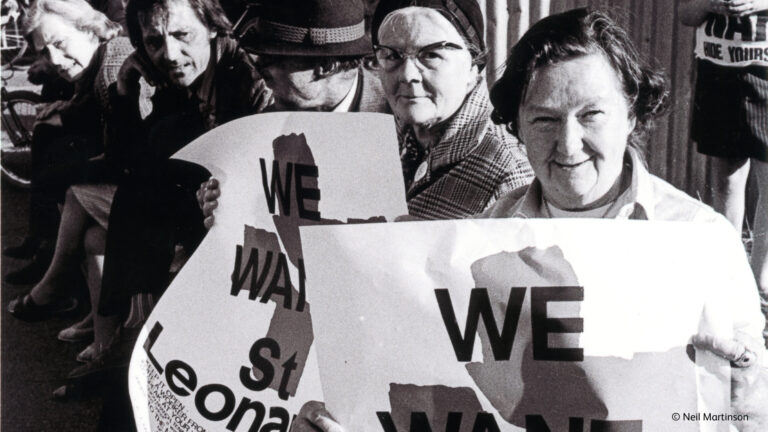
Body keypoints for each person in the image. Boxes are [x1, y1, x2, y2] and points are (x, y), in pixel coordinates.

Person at [291, 8, 768, 432]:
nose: (569, 144)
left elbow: (749, 413)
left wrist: (744, 392)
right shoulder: (483, 237)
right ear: (516, 125)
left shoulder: (699, 242)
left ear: (633, 113)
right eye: (543, 120)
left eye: (592, 115)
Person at [64, 0, 271, 382]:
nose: (170, 55)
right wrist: (126, 90)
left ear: (212, 26)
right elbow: (133, 161)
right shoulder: (180, 82)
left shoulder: (246, 79)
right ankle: (120, 346)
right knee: (100, 230)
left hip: (237, 229)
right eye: (154, 42)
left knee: (121, 212)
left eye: (181, 35)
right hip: (190, 214)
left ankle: (123, 348)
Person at [2, 0, 128, 285]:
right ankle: (46, 249)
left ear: (90, 30)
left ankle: (54, 273)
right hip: (133, 181)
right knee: (49, 139)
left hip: (147, 196)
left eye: (59, 44)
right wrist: (66, 108)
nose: (55, 60)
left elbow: (127, 154)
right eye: (46, 52)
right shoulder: (100, 64)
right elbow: (85, 97)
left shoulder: (112, 66)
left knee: (61, 177)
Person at [370, 0, 533, 218]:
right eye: (392, 56)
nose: (408, 75)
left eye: (431, 55)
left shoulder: (508, 172)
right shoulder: (378, 142)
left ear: (474, 65)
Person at [679, 0, 768, 347]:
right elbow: (686, 14)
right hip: (719, 73)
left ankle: (762, 288)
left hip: (764, 70)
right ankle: (728, 285)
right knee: (726, 180)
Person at [235, 0, 389, 113]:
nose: (258, 68)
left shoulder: (398, 119)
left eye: (269, 59)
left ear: (325, 66)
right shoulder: (261, 120)